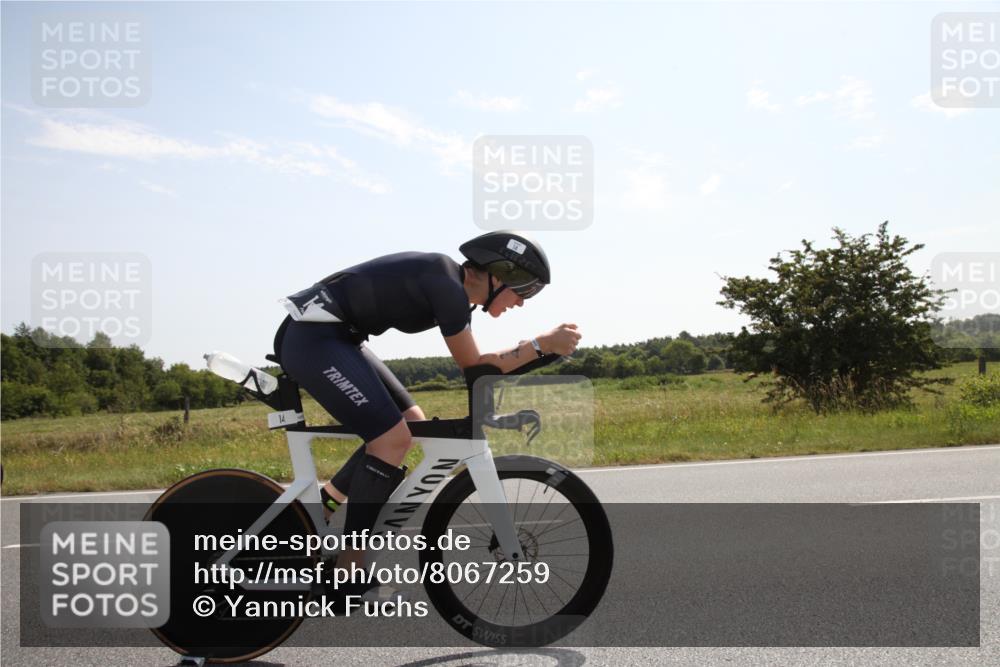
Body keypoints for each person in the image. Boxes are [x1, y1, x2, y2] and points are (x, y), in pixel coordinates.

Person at [272, 231, 581, 602]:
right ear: (501, 273)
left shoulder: (451, 288)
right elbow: (475, 368)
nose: (523, 302)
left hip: (336, 337)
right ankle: (346, 575)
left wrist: (538, 357)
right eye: (525, 290)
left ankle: (320, 509)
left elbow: (481, 372)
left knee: (411, 424)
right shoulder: (446, 284)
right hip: (315, 339)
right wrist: (540, 346)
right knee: (392, 440)